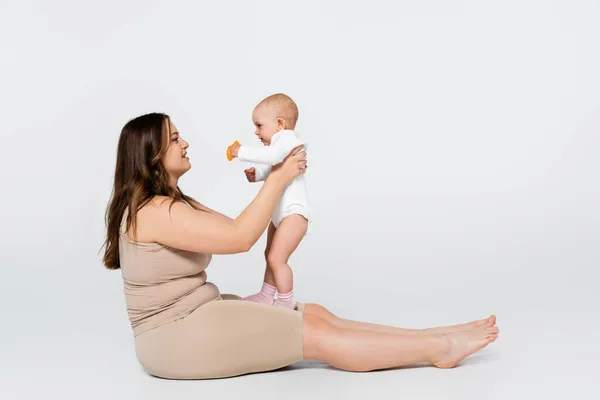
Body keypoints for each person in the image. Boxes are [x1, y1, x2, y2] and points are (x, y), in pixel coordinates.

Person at [102, 112, 499, 380]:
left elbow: (238, 226)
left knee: (318, 314)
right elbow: (241, 239)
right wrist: (279, 177)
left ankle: (431, 336)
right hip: (175, 339)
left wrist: (276, 176)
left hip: (197, 317)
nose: (184, 142)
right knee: (317, 337)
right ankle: (438, 348)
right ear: (152, 154)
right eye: (174, 138)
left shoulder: (172, 202)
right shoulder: (150, 211)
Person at [227, 93, 311, 309]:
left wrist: (240, 152)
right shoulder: (280, 145)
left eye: (259, 125)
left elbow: (273, 157)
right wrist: (258, 174)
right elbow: (275, 166)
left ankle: (285, 301)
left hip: (293, 214)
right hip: (279, 215)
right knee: (270, 255)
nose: (256, 132)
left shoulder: (289, 138)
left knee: (277, 258)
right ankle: (266, 295)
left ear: (280, 124)